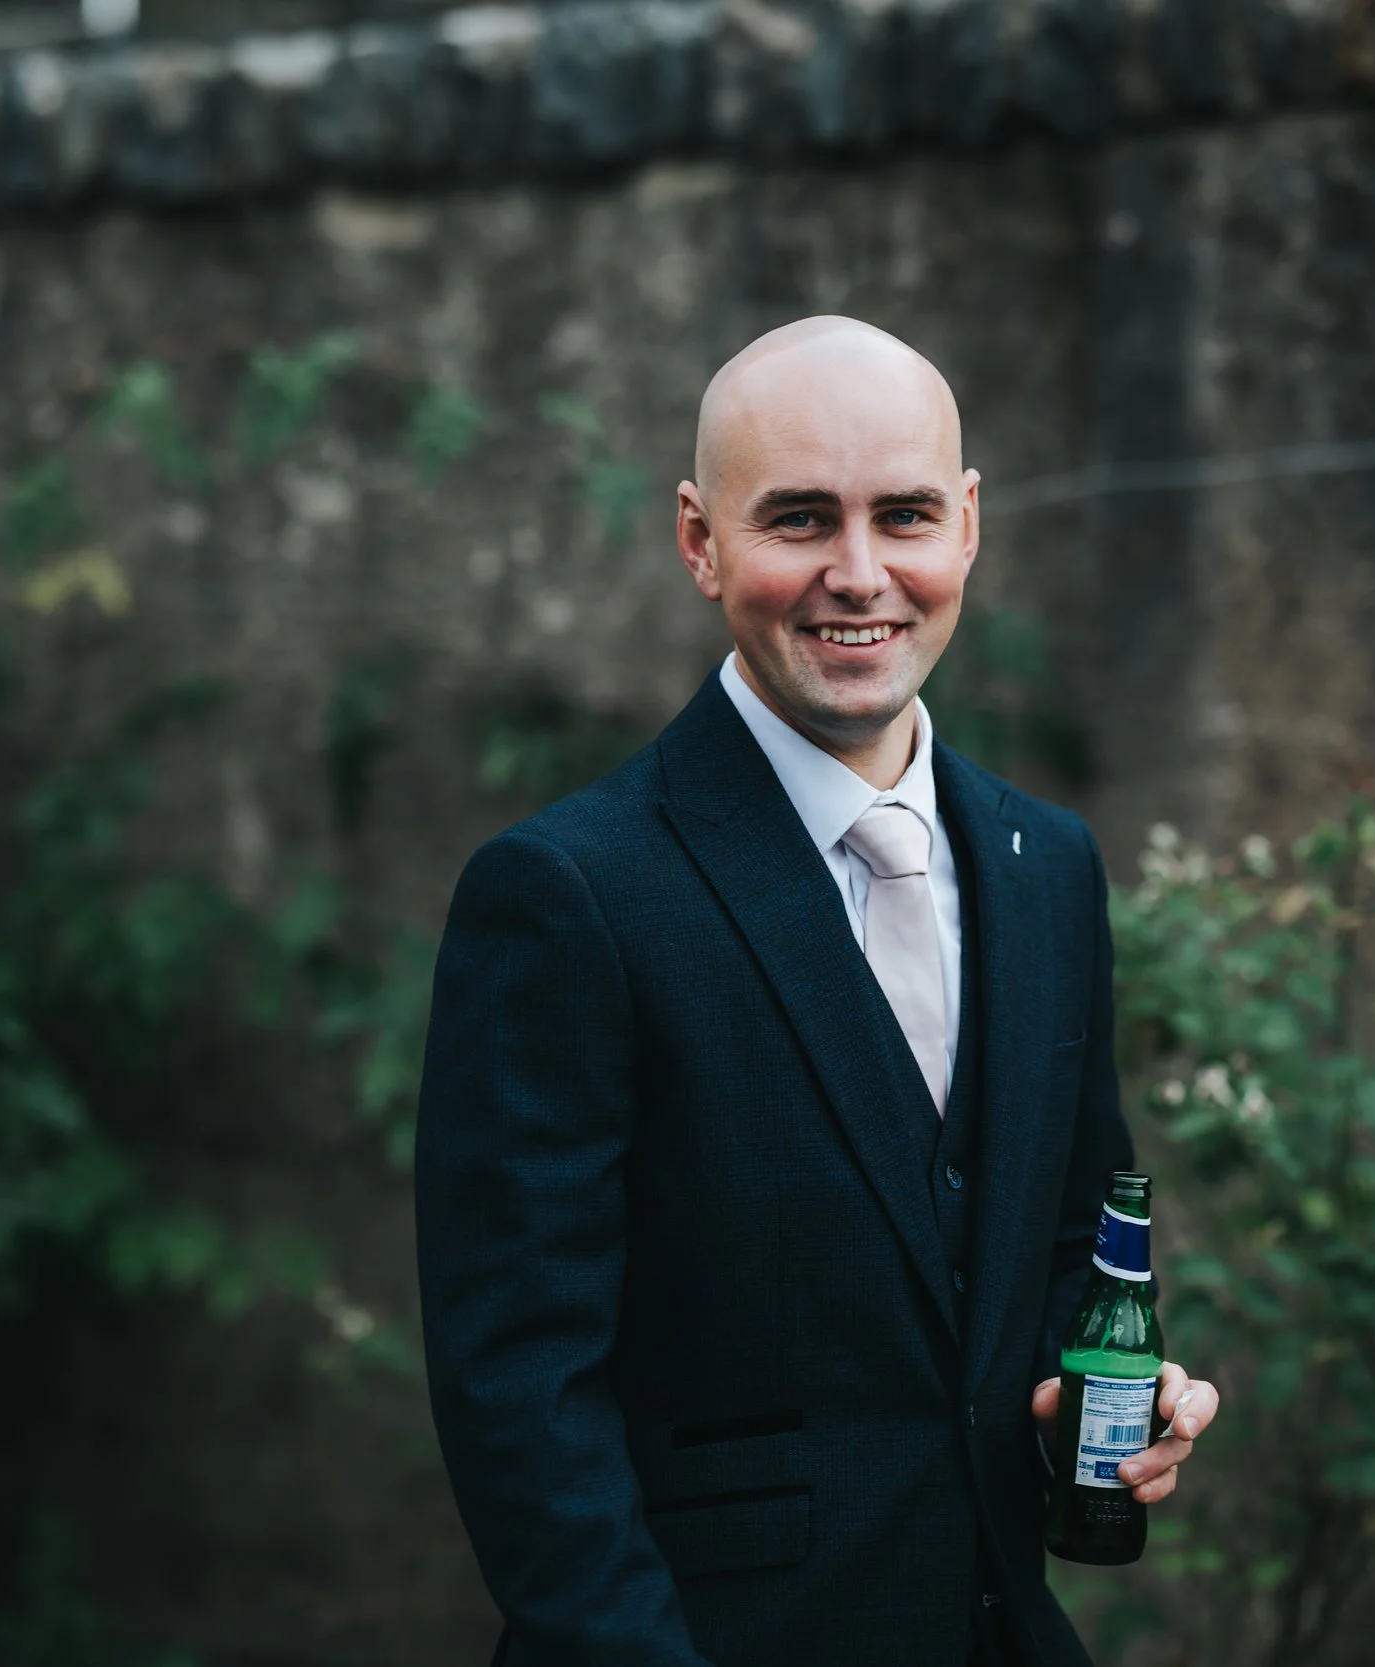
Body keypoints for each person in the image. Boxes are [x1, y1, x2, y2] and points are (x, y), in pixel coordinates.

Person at [414, 317, 1220, 1667]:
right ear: (699, 539)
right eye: (798, 518)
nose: (861, 575)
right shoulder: (568, 893)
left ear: (967, 525)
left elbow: (1079, 1232)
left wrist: (1110, 1399)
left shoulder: (1049, 867)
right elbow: (520, 1392)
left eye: (903, 514)